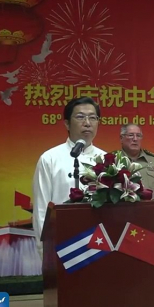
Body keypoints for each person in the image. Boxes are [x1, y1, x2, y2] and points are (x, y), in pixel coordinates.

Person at [33, 97, 106, 254]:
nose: (87, 123)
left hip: (99, 244)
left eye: (93, 117)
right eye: (80, 117)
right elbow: (41, 209)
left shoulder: (107, 160)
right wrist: (44, 250)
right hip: (61, 245)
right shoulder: (50, 158)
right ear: (66, 123)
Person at [118, 123, 154, 201]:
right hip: (124, 211)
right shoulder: (114, 161)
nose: (135, 139)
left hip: (150, 211)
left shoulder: (153, 161)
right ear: (121, 138)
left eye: (138, 136)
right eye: (131, 135)